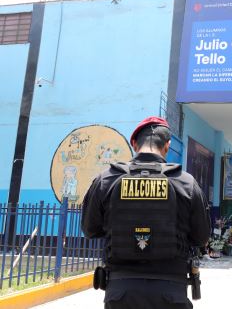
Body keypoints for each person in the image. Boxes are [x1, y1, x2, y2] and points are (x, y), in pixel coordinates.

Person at [81, 116, 211, 309]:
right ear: (167, 146)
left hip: (120, 293)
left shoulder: (105, 180)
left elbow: (89, 229)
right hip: (172, 293)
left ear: (134, 143)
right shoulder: (186, 183)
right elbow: (201, 238)